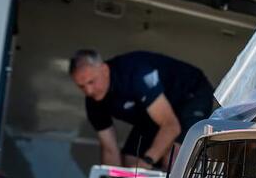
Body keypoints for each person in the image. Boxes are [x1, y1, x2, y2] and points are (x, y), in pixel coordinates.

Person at [69, 49, 215, 169]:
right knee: (131, 160)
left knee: (172, 157)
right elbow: (110, 149)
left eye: (92, 82)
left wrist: (147, 161)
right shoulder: (93, 102)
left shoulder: (134, 75)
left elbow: (171, 126)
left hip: (191, 94)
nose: (89, 91)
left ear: (104, 70)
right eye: (81, 86)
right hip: (153, 113)